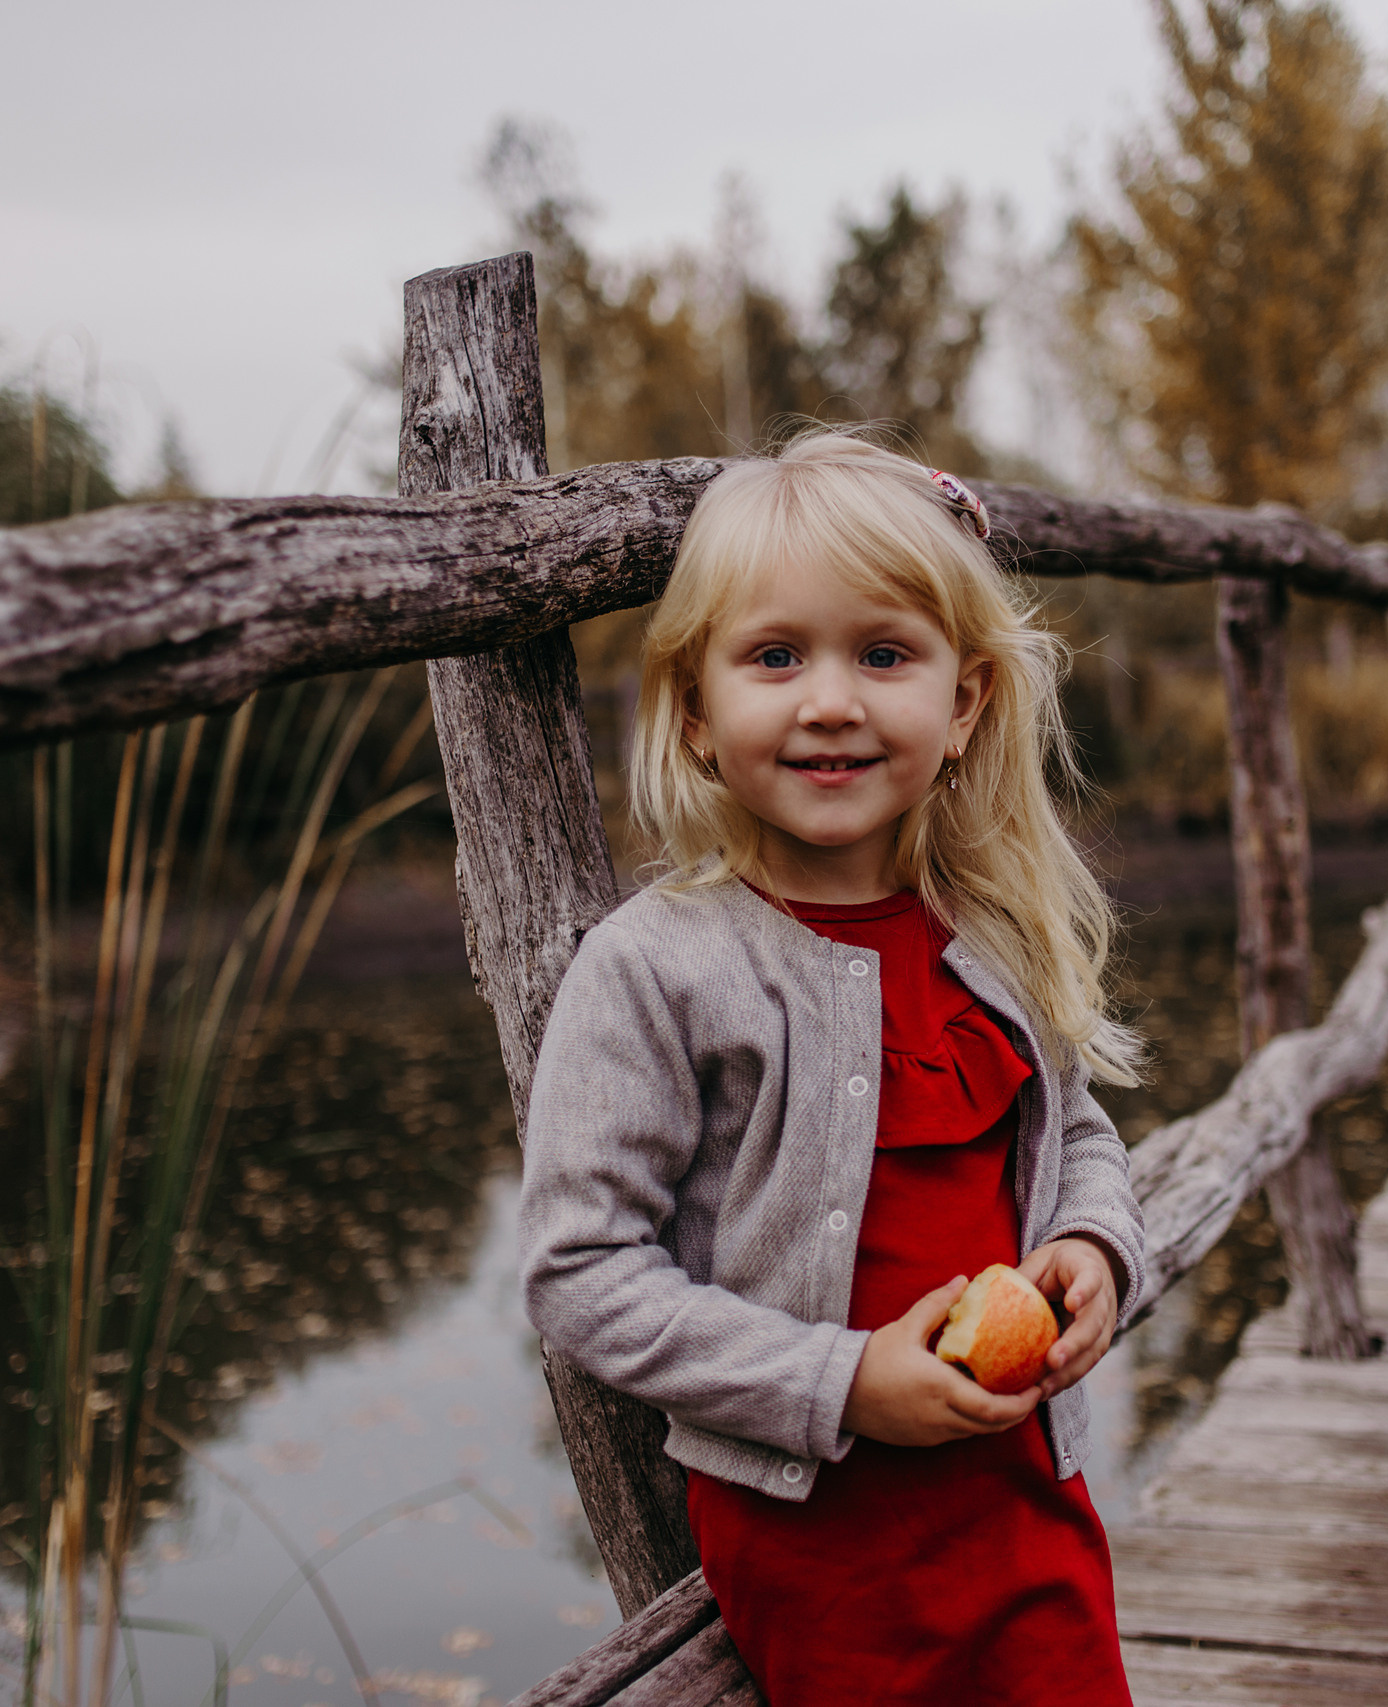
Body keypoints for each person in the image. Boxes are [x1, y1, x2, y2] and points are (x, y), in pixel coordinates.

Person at [518, 430, 1146, 1705]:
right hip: (827, 1547)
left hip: (1026, 1501)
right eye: (774, 657)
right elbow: (579, 1273)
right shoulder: (659, 969)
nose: (830, 702)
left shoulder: (990, 933)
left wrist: (1094, 1244)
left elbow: (1077, 1134)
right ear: (694, 713)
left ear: (964, 704)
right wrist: (843, 1381)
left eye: (883, 654)